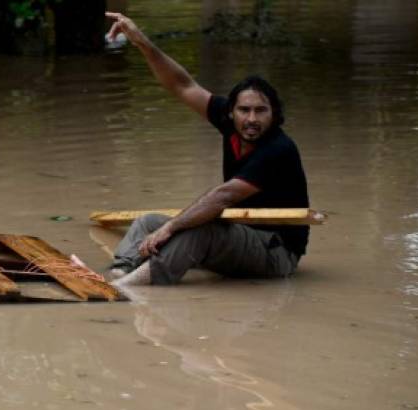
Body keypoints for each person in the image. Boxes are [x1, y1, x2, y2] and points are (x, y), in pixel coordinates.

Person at [104, 12, 309, 286]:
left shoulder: (278, 149)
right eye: (244, 110)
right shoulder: (228, 121)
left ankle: (129, 287)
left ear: (274, 114)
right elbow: (181, 84)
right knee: (146, 222)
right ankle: (120, 271)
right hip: (240, 235)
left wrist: (171, 227)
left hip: (276, 253)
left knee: (200, 228)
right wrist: (140, 40)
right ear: (231, 113)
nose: (251, 119)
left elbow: (222, 197)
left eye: (261, 111)